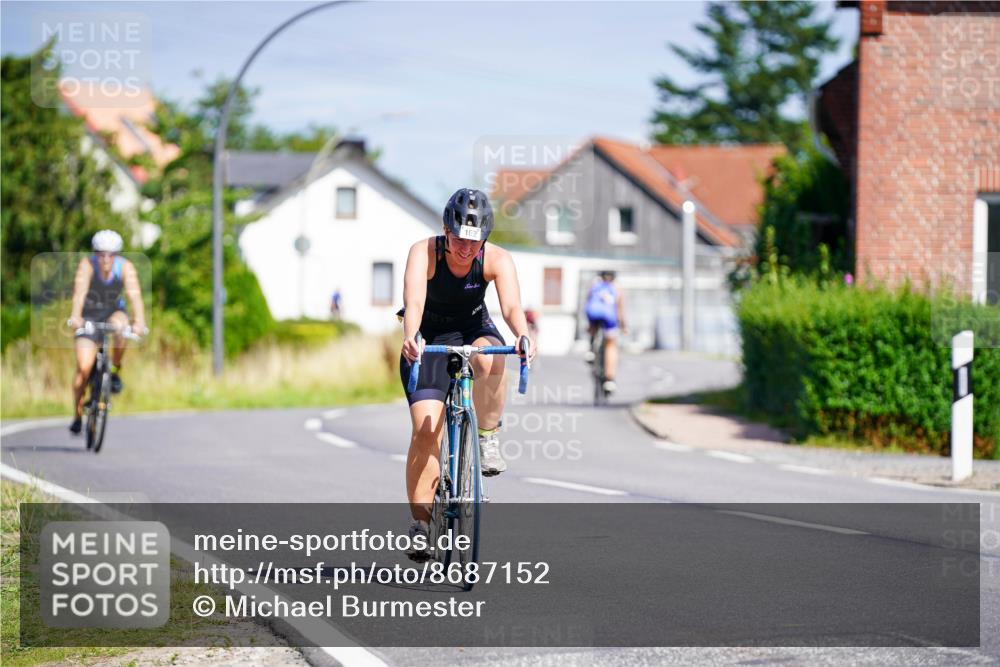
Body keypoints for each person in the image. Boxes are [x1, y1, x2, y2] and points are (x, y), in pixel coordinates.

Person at [399, 188, 535, 558]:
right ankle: (421, 525)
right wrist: (411, 337)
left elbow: (511, 306)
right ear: (445, 230)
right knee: (426, 429)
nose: (464, 249)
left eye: (473, 243)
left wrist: (523, 334)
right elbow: (413, 302)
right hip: (428, 338)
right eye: (458, 239)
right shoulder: (423, 252)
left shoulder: (497, 259)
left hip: (474, 329)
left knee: (493, 357)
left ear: (485, 240)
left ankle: (487, 436)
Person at [67, 230, 146, 434]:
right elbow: (79, 292)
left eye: (111, 255)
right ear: (95, 254)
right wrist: (76, 316)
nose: (105, 259)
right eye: (101, 254)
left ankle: (115, 369)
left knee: (122, 328)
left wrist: (139, 321)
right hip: (89, 315)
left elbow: (134, 295)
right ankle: (77, 415)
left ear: (117, 255)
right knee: (83, 368)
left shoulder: (125, 267)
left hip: (113, 311)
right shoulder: (87, 265)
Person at [584, 270, 626, 393]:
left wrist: (589, 325)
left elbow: (588, 304)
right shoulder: (617, 288)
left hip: (593, 315)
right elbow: (620, 309)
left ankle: (591, 349)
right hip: (609, 317)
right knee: (611, 345)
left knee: (593, 326)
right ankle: (609, 379)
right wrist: (623, 326)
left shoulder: (594, 285)